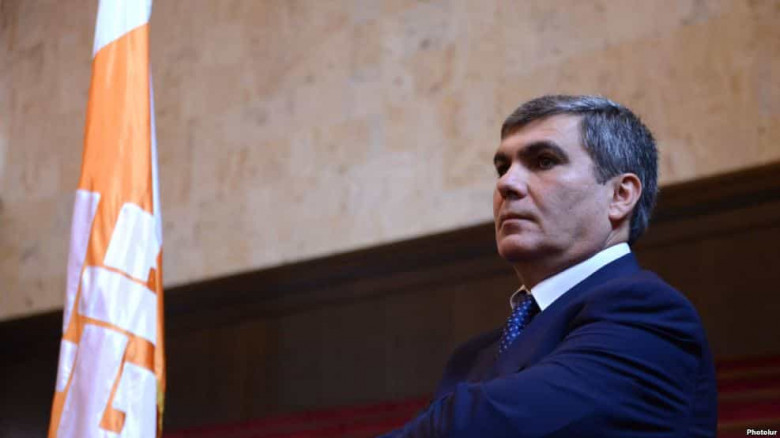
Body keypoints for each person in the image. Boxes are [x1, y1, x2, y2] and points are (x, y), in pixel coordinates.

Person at [379, 95, 717, 437]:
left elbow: (485, 426)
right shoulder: (472, 356)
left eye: (543, 161)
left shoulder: (649, 314)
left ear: (620, 195)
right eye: (503, 168)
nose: (506, 184)